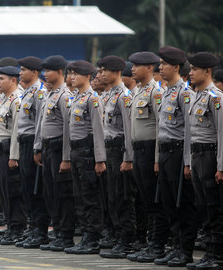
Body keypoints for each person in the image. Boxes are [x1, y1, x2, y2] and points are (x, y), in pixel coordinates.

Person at [151, 46, 198, 267]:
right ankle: (176, 245)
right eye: (159, 64)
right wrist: (159, 159)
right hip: (167, 153)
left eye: (164, 64)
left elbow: (190, 131)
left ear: (176, 67)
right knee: (169, 202)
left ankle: (185, 250)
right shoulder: (166, 92)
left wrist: (188, 162)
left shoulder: (184, 93)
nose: (160, 67)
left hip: (179, 153)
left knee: (182, 203)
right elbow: (161, 130)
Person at [186, 52, 223, 270]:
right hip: (197, 156)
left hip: (211, 157)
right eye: (190, 69)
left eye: (194, 69)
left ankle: (218, 255)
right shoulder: (196, 95)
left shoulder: (215, 97)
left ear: (207, 71)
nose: (190, 73)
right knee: (202, 205)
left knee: (214, 206)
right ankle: (209, 252)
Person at [126, 51, 169, 263]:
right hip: (138, 150)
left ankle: (157, 244)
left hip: (150, 149)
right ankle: (149, 242)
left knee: (155, 200)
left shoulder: (155, 92)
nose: (132, 69)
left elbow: (161, 126)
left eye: (137, 66)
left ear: (149, 68)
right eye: (132, 65)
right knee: (145, 199)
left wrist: (157, 159)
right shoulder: (137, 91)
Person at [63, 60, 106, 255]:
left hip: (88, 154)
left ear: (87, 76)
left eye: (76, 74)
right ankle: (85, 237)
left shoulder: (92, 99)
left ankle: (93, 238)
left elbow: (98, 131)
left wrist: (100, 160)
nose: (71, 77)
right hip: (76, 152)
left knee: (90, 197)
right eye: (71, 73)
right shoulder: (75, 98)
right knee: (78, 196)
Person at [96, 56, 136, 259]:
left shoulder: (123, 96)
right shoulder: (108, 95)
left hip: (120, 150)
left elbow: (129, 130)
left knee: (122, 196)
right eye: (101, 70)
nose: (101, 74)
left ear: (117, 72)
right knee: (111, 196)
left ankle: (126, 240)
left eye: (105, 70)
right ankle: (117, 236)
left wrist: (128, 157)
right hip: (109, 150)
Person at [34, 55, 75, 252]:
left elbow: (69, 128)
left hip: (59, 149)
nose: (45, 74)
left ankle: (66, 234)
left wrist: (66, 157)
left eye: (48, 70)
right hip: (48, 148)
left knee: (62, 194)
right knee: (50, 193)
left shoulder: (65, 96)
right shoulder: (50, 94)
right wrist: (38, 148)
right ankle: (58, 230)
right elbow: (41, 124)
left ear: (59, 72)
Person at [16, 56, 49, 249]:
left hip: (32, 143)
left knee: (36, 189)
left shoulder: (39, 92)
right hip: (24, 142)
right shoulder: (27, 92)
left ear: (34, 73)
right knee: (27, 188)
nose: (20, 73)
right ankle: (33, 227)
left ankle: (40, 230)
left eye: (23, 70)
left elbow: (39, 124)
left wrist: (37, 148)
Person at [0, 65, 23, 245]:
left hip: (9, 150)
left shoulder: (17, 100)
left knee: (13, 191)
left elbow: (17, 130)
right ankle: (11, 224)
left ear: (13, 80)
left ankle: (17, 227)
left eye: (2, 79)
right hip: (0, 150)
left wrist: (14, 156)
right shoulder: (5, 99)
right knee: (4, 191)